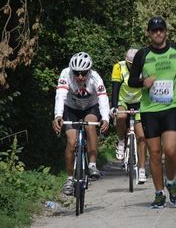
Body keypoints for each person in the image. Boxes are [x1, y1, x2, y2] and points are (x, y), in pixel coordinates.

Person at [128, 16, 176, 208]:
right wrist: (142, 82)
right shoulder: (142, 54)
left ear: (166, 32)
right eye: (154, 30)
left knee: (171, 150)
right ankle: (158, 193)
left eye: (161, 30)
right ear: (149, 33)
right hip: (149, 110)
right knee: (155, 153)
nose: (158, 33)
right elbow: (132, 81)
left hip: (171, 107)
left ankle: (170, 182)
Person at [52, 52, 110, 196]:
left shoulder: (95, 78)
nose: (80, 77)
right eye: (76, 73)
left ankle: (92, 164)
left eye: (83, 73)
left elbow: (103, 99)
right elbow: (60, 96)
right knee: (71, 143)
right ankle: (70, 179)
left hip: (91, 107)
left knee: (90, 124)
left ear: (88, 71)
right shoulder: (65, 74)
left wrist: (105, 118)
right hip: (70, 108)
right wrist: (58, 115)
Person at [110, 48, 147, 184]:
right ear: (127, 62)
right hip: (123, 100)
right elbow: (115, 87)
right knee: (121, 117)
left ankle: (142, 169)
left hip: (139, 102)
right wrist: (114, 107)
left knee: (142, 137)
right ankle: (120, 141)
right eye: (131, 64)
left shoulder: (145, 68)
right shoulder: (119, 67)